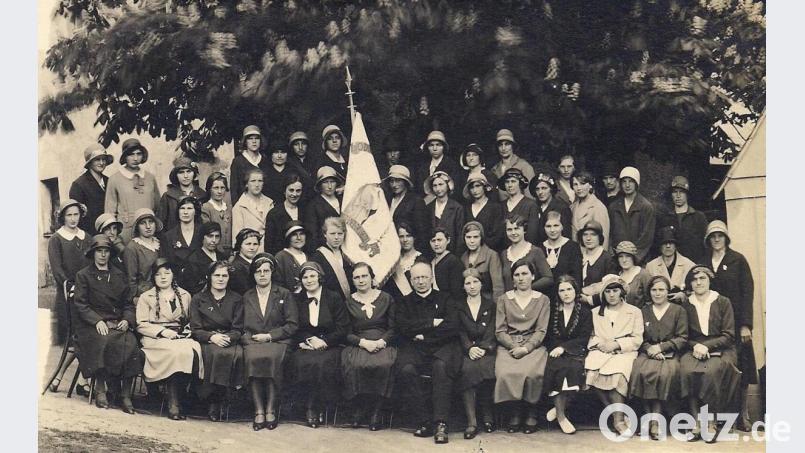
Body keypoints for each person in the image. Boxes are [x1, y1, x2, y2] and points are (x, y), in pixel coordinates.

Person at [72, 235, 144, 412]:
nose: (103, 255)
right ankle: (101, 389)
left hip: (117, 322)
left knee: (132, 343)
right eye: (99, 251)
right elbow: (80, 304)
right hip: (91, 325)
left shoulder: (119, 275)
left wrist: (127, 319)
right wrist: (96, 320)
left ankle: (125, 394)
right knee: (103, 341)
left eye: (106, 251)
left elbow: (128, 303)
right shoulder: (84, 275)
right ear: (93, 253)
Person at [395, 262, 462, 444]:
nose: (421, 281)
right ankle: (424, 420)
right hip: (415, 348)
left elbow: (452, 326)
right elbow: (403, 327)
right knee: (406, 369)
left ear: (431, 278)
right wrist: (432, 323)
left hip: (443, 346)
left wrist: (424, 336)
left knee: (441, 367)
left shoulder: (446, 299)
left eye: (424, 277)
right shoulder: (404, 302)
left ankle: (441, 423)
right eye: (416, 278)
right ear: (411, 280)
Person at [704, 220, 757, 431]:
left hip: (736, 324)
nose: (717, 239)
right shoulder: (703, 262)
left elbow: (747, 293)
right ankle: (718, 417)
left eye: (720, 235)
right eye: (713, 236)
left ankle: (743, 415)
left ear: (726, 238)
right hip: (713, 326)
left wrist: (746, 325)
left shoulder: (738, 260)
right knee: (716, 369)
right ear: (708, 240)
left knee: (741, 368)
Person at [136, 258, 203, 420]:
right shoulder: (147, 297)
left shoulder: (185, 295)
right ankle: (173, 403)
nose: (163, 277)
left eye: (167, 273)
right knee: (174, 352)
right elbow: (141, 324)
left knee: (194, 350)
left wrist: (187, 330)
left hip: (178, 336)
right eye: (158, 274)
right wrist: (162, 332)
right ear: (154, 278)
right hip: (155, 338)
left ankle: (184, 397)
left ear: (173, 275)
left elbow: (190, 320)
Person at [680, 265, 741, 442]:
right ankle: (696, 422)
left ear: (709, 280)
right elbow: (684, 335)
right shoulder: (686, 304)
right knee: (686, 370)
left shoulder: (722, 301)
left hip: (721, 348)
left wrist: (708, 346)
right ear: (690, 283)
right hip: (694, 348)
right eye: (694, 279)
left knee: (711, 372)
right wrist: (696, 346)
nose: (698, 282)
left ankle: (711, 423)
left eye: (702, 279)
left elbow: (729, 335)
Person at [240, 253, 299, 431]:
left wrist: (270, 336)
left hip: (278, 340)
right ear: (254, 275)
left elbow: (292, 324)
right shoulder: (247, 296)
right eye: (258, 271)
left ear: (272, 272)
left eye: (266, 271)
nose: (263, 274)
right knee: (252, 358)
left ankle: (270, 408)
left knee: (273, 358)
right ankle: (258, 410)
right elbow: (239, 324)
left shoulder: (284, 294)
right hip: (253, 340)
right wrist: (248, 338)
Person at [494, 259, 551, 434]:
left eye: (525, 274)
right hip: (509, 344)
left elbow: (541, 330)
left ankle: (532, 412)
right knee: (505, 373)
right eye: (517, 275)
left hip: (533, 345)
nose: (521, 278)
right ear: (512, 279)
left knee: (534, 373)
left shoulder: (542, 300)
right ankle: (515, 412)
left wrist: (526, 348)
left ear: (533, 276)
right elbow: (500, 330)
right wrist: (513, 346)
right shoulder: (504, 299)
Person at [290, 262, 350, 429]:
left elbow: (342, 327)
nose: (309, 280)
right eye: (305, 277)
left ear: (320, 277)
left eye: (312, 276)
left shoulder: (333, 297)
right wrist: (309, 340)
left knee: (324, 364)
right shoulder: (297, 299)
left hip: (331, 344)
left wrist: (325, 341)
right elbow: (294, 326)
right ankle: (310, 407)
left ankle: (324, 406)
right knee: (302, 362)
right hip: (307, 344)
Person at [629, 275, 689, 440]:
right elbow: (639, 336)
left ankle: (656, 420)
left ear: (668, 291)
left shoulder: (678, 311)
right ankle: (647, 418)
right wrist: (649, 349)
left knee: (663, 375)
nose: (657, 293)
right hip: (648, 352)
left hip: (670, 353)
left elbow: (682, 337)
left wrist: (662, 347)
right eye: (654, 290)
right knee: (638, 372)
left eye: (661, 290)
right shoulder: (644, 311)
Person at [584, 274, 644, 435]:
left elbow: (637, 338)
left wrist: (617, 344)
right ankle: (616, 413)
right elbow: (590, 335)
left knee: (617, 376)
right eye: (608, 291)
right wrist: (601, 344)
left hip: (624, 353)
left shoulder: (634, 311)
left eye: (615, 290)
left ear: (622, 292)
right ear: (603, 294)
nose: (611, 295)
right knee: (591, 373)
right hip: (601, 351)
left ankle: (617, 420)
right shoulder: (596, 312)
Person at [341, 263, 397, 430]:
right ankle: (359, 408)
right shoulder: (349, 301)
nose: (361, 280)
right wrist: (363, 343)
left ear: (372, 278)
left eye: (364, 276)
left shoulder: (386, 298)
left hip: (382, 341)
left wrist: (382, 342)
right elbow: (346, 331)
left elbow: (394, 327)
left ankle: (376, 411)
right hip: (359, 342)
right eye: (356, 277)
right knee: (353, 364)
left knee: (384, 364)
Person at [189, 261, 244, 422]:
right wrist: (212, 337)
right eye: (217, 275)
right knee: (215, 354)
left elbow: (238, 327)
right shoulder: (199, 299)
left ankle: (227, 399)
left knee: (238, 355)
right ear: (209, 277)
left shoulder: (236, 299)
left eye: (224, 276)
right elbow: (196, 328)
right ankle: (213, 400)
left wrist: (228, 338)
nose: (220, 279)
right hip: (208, 340)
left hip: (229, 339)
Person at [542, 275, 593, 435]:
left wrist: (564, 347)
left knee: (574, 370)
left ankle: (559, 410)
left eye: (569, 289)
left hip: (575, 350)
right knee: (558, 370)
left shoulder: (585, 312)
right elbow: (549, 335)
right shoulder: (553, 312)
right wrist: (557, 348)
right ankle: (561, 416)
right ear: (557, 293)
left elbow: (584, 337)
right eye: (562, 290)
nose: (566, 293)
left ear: (575, 291)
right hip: (554, 350)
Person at [456, 269, 497, 439]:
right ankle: (471, 421)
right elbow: (458, 330)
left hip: (486, 349)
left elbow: (493, 328)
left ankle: (487, 415)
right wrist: (469, 348)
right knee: (467, 370)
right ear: (463, 286)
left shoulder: (491, 305)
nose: (472, 286)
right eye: (468, 283)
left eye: (475, 282)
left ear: (481, 284)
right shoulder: (458, 306)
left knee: (488, 367)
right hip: (467, 351)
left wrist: (484, 347)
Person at [48, 200, 92, 349]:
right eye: (69, 215)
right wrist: (70, 286)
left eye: (76, 214)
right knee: (72, 318)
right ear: (63, 217)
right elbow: (57, 268)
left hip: (87, 285)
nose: (73, 219)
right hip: (69, 288)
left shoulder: (86, 237)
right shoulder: (56, 239)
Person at [105, 138, 161, 243]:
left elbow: (158, 206)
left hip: (148, 230)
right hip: (126, 231)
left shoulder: (150, 178)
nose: (135, 158)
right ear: (125, 157)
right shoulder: (115, 179)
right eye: (131, 154)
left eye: (139, 154)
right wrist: (113, 236)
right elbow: (110, 211)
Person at [608, 166, 656, 263]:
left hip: (638, 260)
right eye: (624, 181)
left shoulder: (646, 207)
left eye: (631, 181)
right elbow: (610, 233)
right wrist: (615, 253)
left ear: (636, 183)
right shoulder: (614, 207)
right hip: (618, 258)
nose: (627, 185)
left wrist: (634, 256)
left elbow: (647, 237)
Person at [658, 176, 708, 264]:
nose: (678, 196)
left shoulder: (698, 217)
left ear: (687, 194)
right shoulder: (665, 218)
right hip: (672, 267)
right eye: (674, 192)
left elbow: (706, 245)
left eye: (681, 192)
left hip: (695, 265)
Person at [499, 215, 554, 293]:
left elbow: (548, 278)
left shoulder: (535, 251)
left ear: (524, 230)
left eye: (517, 229)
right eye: (509, 230)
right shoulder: (504, 254)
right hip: (510, 301)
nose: (513, 233)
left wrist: (525, 288)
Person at [384, 165, 430, 252]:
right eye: (392, 181)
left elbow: (422, 231)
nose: (394, 185)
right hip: (389, 248)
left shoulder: (415, 201)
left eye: (398, 181)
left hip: (408, 249)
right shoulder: (387, 200)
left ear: (405, 182)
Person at [70, 143, 113, 234]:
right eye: (97, 159)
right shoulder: (79, 185)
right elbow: (77, 217)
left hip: (110, 232)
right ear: (90, 162)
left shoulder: (109, 181)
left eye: (104, 159)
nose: (101, 163)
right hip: (90, 234)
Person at [645, 226, 696, 300]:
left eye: (671, 243)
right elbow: (648, 293)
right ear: (660, 246)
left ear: (675, 245)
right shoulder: (651, 266)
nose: (668, 246)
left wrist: (684, 295)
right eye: (664, 243)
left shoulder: (689, 265)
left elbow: (695, 291)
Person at [123, 208, 163, 300]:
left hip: (163, 289)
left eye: (151, 222)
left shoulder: (161, 243)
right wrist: (134, 297)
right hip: (144, 293)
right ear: (137, 226)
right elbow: (130, 279)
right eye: (143, 223)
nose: (148, 226)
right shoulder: (132, 247)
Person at [310, 217, 354, 301]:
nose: (336, 237)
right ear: (325, 234)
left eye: (340, 233)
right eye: (332, 233)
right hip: (330, 303)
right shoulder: (317, 257)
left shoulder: (348, 254)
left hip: (350, 303)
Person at [159, 196, 203, 280]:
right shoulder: (168, 236)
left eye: (189, 208)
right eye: (182, 208)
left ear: (196, 212)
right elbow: (165, 262)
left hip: (200, 281)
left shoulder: (203, 232)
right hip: (177, 281)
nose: (185, 212)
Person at [158, 157, 207, 231]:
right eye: (181, 172)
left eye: (189, 171)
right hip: (173, 240)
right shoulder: (168, 196)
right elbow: (160, 223)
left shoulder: (203, 195)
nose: (186, 176)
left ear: (194, 174)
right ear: (176, 175)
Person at [414, 131, 464, 202]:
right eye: (431, 145)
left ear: (443, 147)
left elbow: (455, 189)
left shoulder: (451, 165)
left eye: (438, 145)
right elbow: (419, 189)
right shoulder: (423, 166)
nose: (435, 148)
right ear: (428, 147)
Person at [461, 221, 504, 301]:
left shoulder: (491, 255)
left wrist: (496, 308)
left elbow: (498, 287)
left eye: (476, 237)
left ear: (481, 238)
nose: (472, 241)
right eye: (468, 237)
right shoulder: (464, 257)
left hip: (488, 302)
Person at [180, 222, 227, 294]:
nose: (214, 240)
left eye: (217, 236)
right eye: (210, 236)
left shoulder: (222, 257)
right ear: (202, 237)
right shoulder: (193, 259)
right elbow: (191, 287)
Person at [232, 168, 274, 249]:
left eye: (260, 181)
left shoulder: (270, 203)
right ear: (246, 184)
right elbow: (236, 236)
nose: (257, 184)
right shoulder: (239, 206)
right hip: (250, 250)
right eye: (253, 181)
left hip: (268, 249)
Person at [303, 166, 343, 251]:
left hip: (344, 247)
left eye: (332, 182)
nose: (329, 186)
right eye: (325, 182)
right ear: (320, 184)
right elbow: (312, 234)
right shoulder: (313, 205)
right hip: (324, 250)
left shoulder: (342, 201)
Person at [424, 171, 465, 254]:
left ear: (448, 185)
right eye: (435, 185)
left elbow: (460, 236)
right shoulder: (428, 207)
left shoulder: (457, 208)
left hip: (451, 252)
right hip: (432, 253)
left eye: (441, 184)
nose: (438, 189)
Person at [462, 173, 505, 251]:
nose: (475, 190)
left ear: (484, 187)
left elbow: (498, 236)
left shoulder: (495, 207)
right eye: (472, 187)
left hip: (490, 251)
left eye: (478, 186)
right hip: (470, 251)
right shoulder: (466, 209)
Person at [264, 173, 304, 254]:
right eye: (291, 190)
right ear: (284, 191)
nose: (295, 194)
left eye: (298, 191)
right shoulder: (274, 213)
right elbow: (269, 245)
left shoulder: (306, 211)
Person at [577, 220, 617, 303]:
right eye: (585, 235)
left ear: (600, 237)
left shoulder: (607, 259)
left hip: (600, 306)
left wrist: (589, 299)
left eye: (593, 235)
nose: (588, 238)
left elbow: (611, 286)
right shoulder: (579, 257)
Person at [490, 129, 536, 201]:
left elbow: (530, 196)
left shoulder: (524, 166)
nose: (503, 148)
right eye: (500, 145)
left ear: (512, 146)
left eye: (507, 144)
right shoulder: (494, 169)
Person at [538, 211, 583, 284]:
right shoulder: (539, 248)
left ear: (562, 226)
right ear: (544, 228)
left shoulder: (573, 247)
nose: (552, 230)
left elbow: (577, 277)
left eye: (556, 225)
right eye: (548, 226)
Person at [529, 170, 573, 245]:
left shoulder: (562, 208)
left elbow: (566, 235)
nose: (540, 192)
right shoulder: (534, 206)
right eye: (537, 189)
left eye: (544, 188)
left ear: (551, 189)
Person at [498, 168, 541, 244]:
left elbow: (532, 235)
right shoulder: (501, 206)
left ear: (520, 183)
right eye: (507, 182)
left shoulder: (530, 205)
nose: (510, 185)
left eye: (513, 181)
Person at [570, 170, 610, 250]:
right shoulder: (572, 207)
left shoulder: (598, 207)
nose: (579, 188)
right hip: (576, 255)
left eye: (582, 184)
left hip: (592, 254)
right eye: (575, 184)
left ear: (590, 185)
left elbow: (604, 238)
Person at [230, 125, 268, 205]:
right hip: (245, 205)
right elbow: (234, 189)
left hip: (263, 204)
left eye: (256, 138)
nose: (254, 141)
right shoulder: (238, 161)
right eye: (250, 138)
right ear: (245, 141)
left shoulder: (265, 160)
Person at [384, 222, 424, 300]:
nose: (405, 240)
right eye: (401, 236)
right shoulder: (394, 259)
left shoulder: (420, 259)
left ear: (414, 237)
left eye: (408, 236)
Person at [612, 241, 653, 308]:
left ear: (633, 258)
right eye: (621, 256)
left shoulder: (643, 274)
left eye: (628, 256)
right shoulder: (617, 276)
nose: (624, 260)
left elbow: (650, 301)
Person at [200, 172, 233, 255]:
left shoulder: (229, 208)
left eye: (222, 188)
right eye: (216, 188)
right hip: (215, 251)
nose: (219, 191)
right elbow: (208, 233)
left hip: (230, 251)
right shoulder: (206, 208)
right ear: (210, 189)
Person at [429, 227, 464, 301]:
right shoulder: (432, 262)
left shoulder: (453, 261)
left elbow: (457, 292)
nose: (436, 244)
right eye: (433, 241)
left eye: (439, 240)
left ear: (448, 240)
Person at [273, 221, 308, 291]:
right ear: (288, 237)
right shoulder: (281, 257)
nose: (299, 238)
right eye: (294, 235)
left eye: (302, 234)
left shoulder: (307, 256)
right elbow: (277, 286)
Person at [229, 228, 262, 295]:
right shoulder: (236, 266)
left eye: (255, 244)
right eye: (248, 244)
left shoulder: (257, 262)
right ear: (240, 245)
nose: (252, 248)